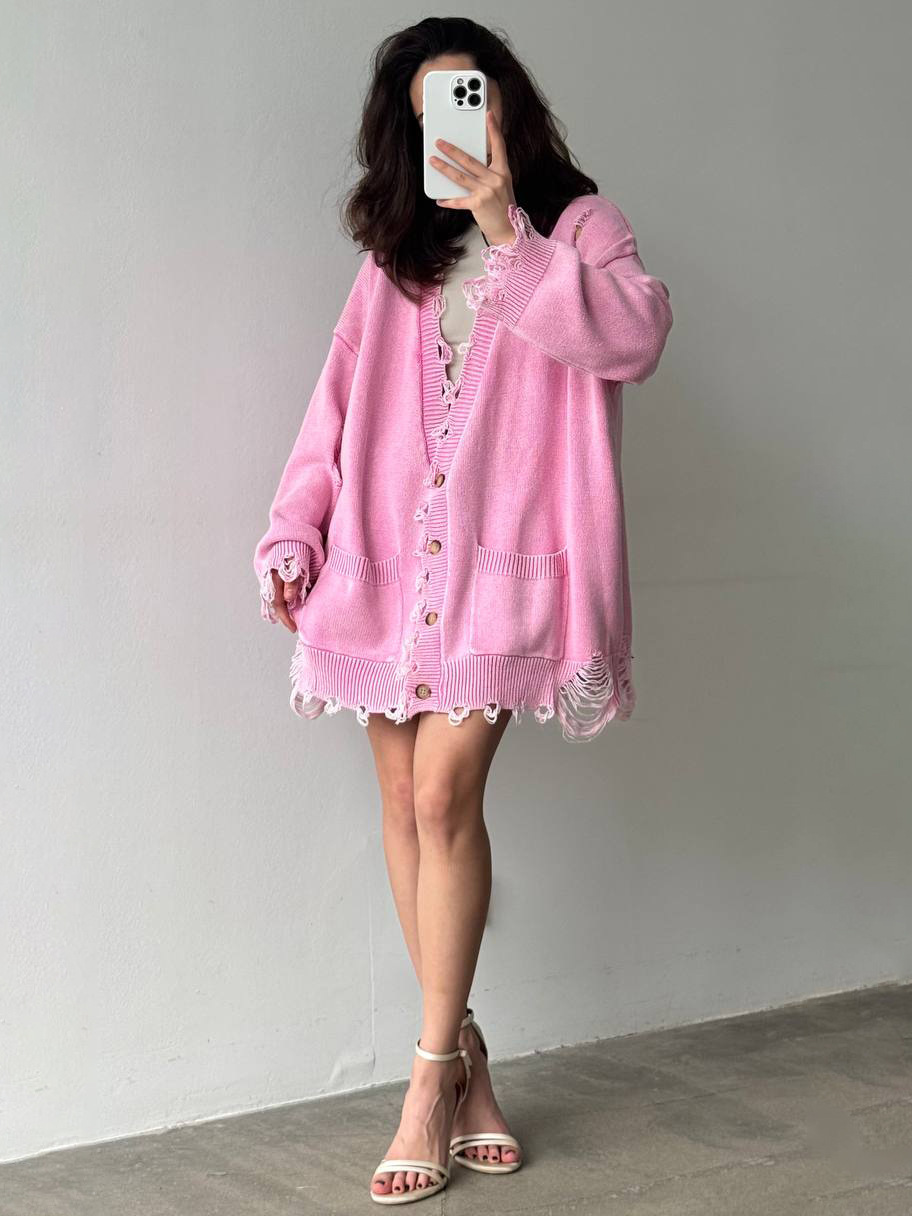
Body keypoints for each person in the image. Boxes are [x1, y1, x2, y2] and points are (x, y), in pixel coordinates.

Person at [252, 16, 673, 1205]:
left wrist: (508, 231)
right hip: (382, 576)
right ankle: (470, 1058)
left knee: (443, 795)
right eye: (431, 108)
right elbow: (334, 407)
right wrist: (294, 530)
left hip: (502, 579)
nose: (458, 124)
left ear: (507, 104)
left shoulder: (581, 230)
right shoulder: (397, 260)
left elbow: (637, 337)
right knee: (401, 801)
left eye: (470, 96)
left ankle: (427, 1078)